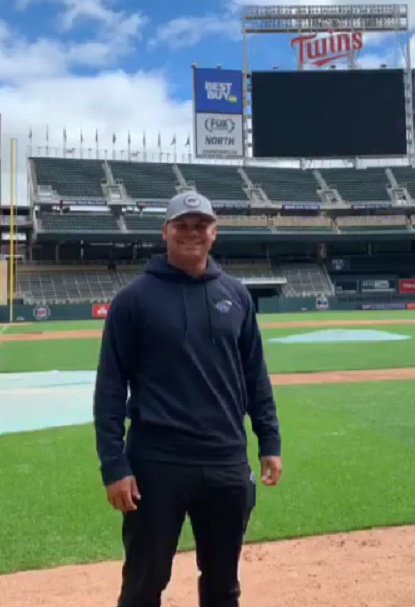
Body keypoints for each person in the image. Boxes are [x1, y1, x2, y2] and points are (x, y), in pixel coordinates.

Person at [94, 191, 282, 607]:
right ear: (166, 231)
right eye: (182, 225)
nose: (192, 233)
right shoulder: (133, 300)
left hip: (226, 460)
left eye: (201, 226)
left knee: (222, 585)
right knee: (145, 582)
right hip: (156, 465)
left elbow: (255, 374)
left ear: (214, 232)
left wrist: (268, 439)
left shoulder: (236, 295)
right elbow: (110, 388)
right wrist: (113, 465)